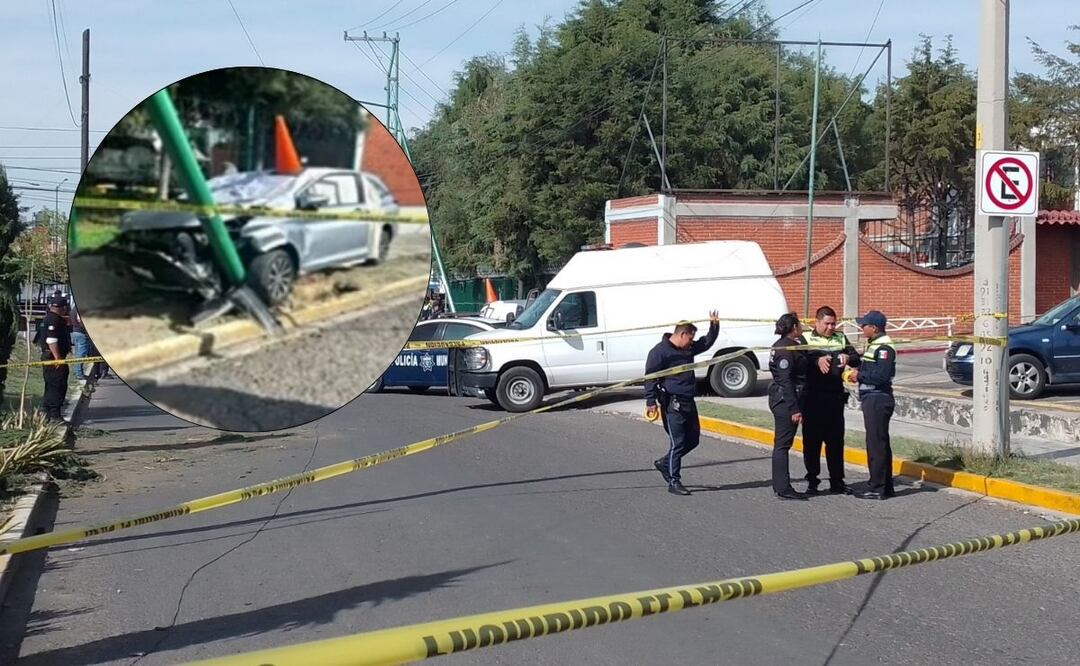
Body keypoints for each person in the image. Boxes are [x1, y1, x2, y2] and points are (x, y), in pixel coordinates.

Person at [644, 312, 720, 496]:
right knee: (677, 443)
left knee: (693, 440)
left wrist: (714, 326)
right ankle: (674, 481)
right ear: (682, 334)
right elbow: (650, 378)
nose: (691, 342)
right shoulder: (659, 352)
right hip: (672, 403)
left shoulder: (688, 349)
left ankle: (665, 463)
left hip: (688, 401)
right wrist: (650, 401)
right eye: (690, 338)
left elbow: (706, 342)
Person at [801, 305, 859, 494]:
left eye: (833, 324)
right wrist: (816, 360)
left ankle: (837, 481)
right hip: (813, 397)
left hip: (834, 397)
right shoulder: (805, 338)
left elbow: (856, 358)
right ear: (816, 322)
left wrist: (847, 357)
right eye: (827, 324)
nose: (831, 327)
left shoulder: (840, 337)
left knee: (835, 442)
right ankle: (812, 481)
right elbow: (800, 360)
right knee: (812, 443)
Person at [847, 310, 897, 500]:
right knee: (878, 442)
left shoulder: (884, 347)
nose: (861, 328)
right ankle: (885, 485)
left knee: (876, 444)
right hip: (872, 398)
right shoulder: (874, 344)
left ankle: (877, 487)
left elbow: (881, 376)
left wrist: (858, 375)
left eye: (864, 325)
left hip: (878, 398)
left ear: (874, 328)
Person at [768, 312, 810, 500]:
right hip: (785, 400)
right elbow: (786, 381)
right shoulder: (785, 349)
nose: (801, 327)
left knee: (783, 443)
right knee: (782, 444)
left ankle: (781, 485)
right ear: (794, 327)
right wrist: (794, 409)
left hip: (786, 397)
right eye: (799, 324)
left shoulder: (788, 344)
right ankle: (783, 488)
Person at [39, 294, 72, 423]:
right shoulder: (54, 320)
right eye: (65, 308)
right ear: (61, 308)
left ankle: (47, 414)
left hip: (49, 357)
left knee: (50, 385)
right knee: (57, 385)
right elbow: (51, 340)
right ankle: (54, 415)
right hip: (53, 358)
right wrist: (58, 358)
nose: (66, 310)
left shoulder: (48, 318)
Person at [70, 303, 90, 381]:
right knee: (81, 355)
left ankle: (78, 372)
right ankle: (79, 374)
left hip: (76, 332)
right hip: (81, 333)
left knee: (78, 354)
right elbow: (80, 321)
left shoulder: (74, 309)